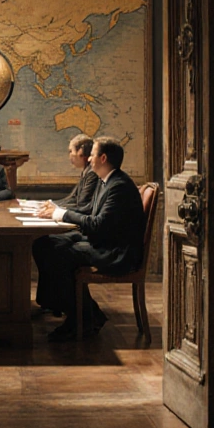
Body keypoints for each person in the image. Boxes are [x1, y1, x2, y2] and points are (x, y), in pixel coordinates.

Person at [31, 136, 145, 341]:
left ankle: (80, 319)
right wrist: (60, 213)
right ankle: (78, 309)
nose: (89, 159)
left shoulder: (118, 186)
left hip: (115, 253)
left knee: (60, 254)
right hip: (103, 242)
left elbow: (97, 224)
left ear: (103, 158)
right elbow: (92, 215)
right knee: (44, 243)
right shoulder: (106, 181)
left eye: (92, 155)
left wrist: (61, 215)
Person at [34, 134, 98, 216]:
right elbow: (73, 198)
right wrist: (52, 204)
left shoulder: (92, 173)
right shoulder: (86, 171)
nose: (70, 156)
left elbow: (82, 204)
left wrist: (56, 209)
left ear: (80, 152)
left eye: (71, 151)